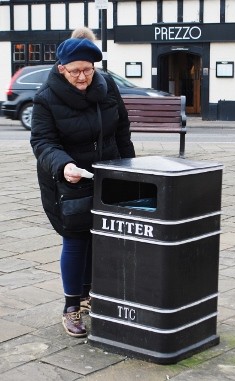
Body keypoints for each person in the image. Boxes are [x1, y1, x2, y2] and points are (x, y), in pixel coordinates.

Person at [30, 38, 135, 338]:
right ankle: (71, 306)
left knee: (102, 237)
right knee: (76, 239)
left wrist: (130, 168)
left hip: (108, 174)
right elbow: (42, 141)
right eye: (75, 71)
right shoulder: (46, 97)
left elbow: (121, 129)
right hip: (69, 177)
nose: (82, 77)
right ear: (61, 68)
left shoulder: (107, 87)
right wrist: (64, 166)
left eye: (88, 70)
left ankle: (91, 296)